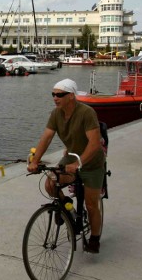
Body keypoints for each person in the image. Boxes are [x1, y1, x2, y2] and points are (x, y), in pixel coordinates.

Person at [27, 79, 106, 254]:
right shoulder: (56, 114)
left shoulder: (86, 113)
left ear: (71, 96)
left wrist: (78, 164)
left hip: (91, 162)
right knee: (50, 183)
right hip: (71, 159)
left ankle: (94, 238)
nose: (55, 98)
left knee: (91, 204)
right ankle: (65, 206)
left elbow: (94, 144)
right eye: (53, 94)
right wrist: (35, 161)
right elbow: (46, 137)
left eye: (59, 95)